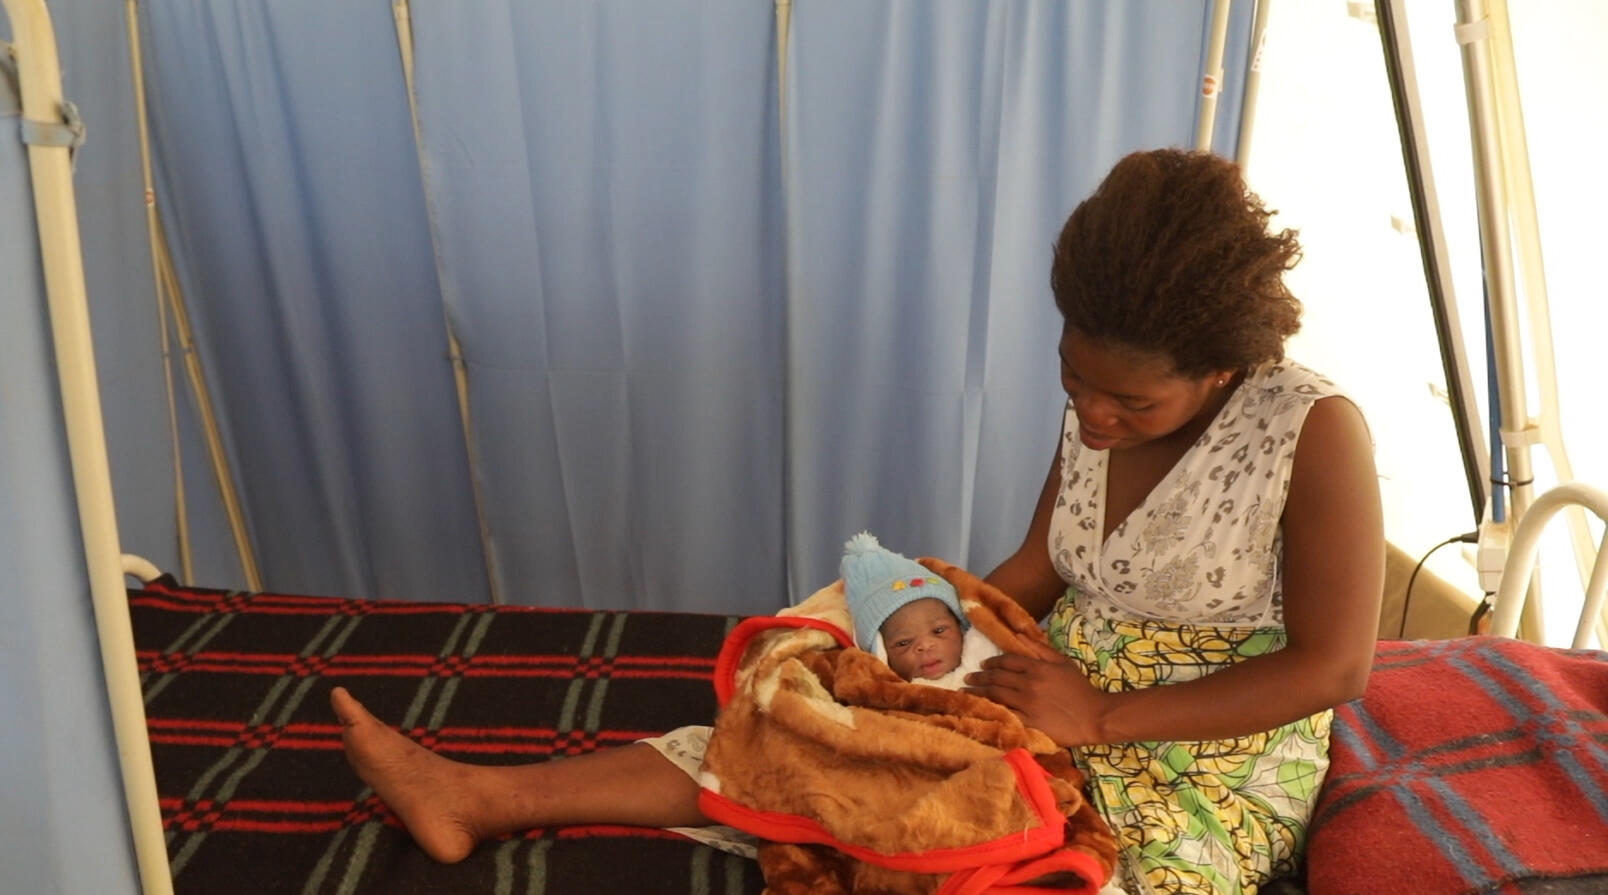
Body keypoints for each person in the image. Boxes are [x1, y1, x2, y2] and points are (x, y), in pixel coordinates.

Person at [331, 147, 1384, 895]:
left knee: (1022, 855)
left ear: (1219, 369)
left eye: (1130, 403)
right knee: (814, 730)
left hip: (1201, 750)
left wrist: (1102, 716)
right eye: (1074, 381)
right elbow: (1043, 563)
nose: (1094, 416)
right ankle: (478, 796)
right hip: (1046, 678)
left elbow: (1335, 667)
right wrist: (911, 625)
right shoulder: (1105, 397)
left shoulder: (1312, 431)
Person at [841, 530, 1001, 687]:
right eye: (903, 642)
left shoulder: (989, 665)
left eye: (939, 630)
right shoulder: (886, 693)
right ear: (880, 653)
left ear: (961, 628)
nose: (925, 645)